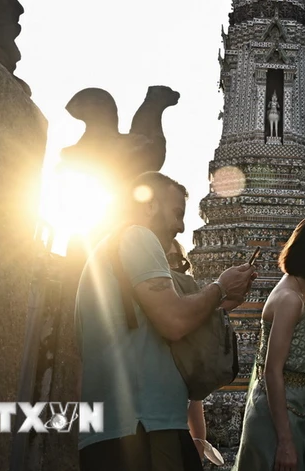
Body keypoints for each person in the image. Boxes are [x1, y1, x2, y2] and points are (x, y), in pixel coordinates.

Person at [75, 171, 256, 471]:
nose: (181, 226)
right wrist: (220, 287)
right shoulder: (137, 235)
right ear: (148, 205)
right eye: (177, 213)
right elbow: (173, 320)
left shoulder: (102, 257)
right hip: (145, 428)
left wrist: (218, 301)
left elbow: (147, 323)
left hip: (109, 433)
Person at [234, 215, 305, 471]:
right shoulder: (289, 298)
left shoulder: (297, 292)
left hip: (295, 409)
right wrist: (285, 442)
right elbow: (273, 370)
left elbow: (297, 357)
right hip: (280, 417)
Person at [166, 240, 223, 466]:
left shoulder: (186, 327)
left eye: (177, 263)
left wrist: (198, 444)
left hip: (176, 429)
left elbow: (194, 398)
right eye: (165, 263)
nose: (174, 272)